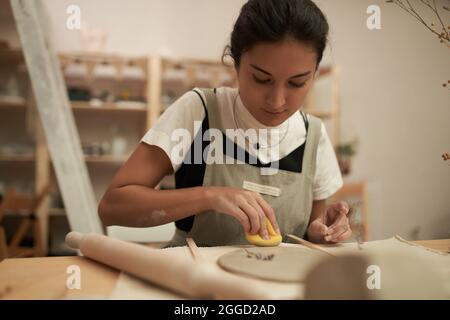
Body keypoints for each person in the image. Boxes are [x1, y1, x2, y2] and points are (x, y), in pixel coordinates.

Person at [98, 0, 352, 247]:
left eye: (297, 83)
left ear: (315, 74)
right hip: (195, 281)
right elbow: (113, 208)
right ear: (236, 63)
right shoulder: (200, 112)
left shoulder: (313, 135)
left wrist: (322, 232)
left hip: (277, 286)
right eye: (261, 79)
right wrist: (209, 196)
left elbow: (311, 230)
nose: (277, 101)